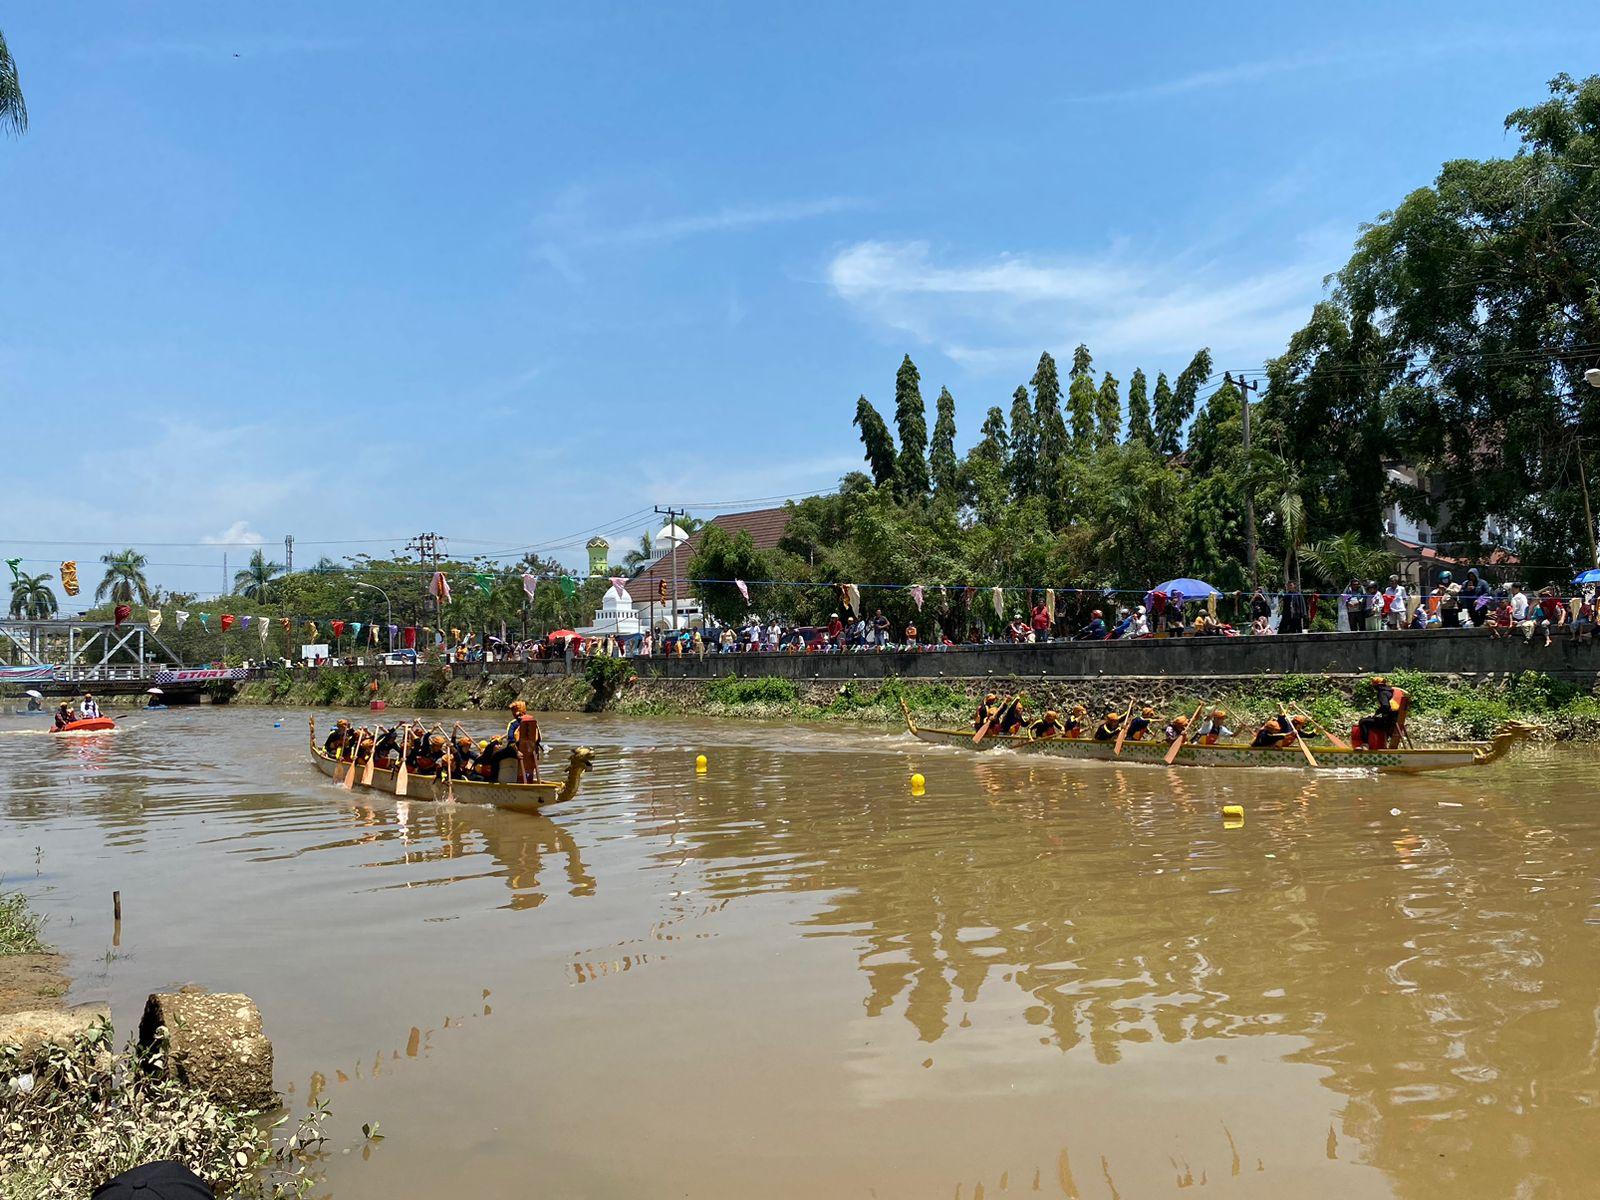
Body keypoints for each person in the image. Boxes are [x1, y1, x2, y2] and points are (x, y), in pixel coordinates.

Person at [1354, 676, 1409, 749]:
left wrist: (1378, 713)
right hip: (1396, 723)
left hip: (1387, 723)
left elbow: (1385, 706)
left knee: (1363, 722)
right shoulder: (1391, 692)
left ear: (1377, 686)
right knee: (1373, 720)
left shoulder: (1382, 693)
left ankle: (1365, 745)